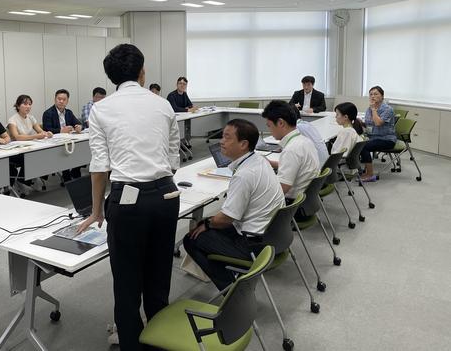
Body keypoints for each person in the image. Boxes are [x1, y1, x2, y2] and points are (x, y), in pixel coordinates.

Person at [78, 43, 180, 351]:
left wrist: (97, 211)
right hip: (166, 195)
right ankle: (159, 341)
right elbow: (173, 159)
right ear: (142, 72)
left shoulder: (101, 109)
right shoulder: (163, 105)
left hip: (127, 200)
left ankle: (132, 343)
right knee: (159, 276)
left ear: (111, 78)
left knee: (126, 281)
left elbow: (100, 167)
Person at [183, 119, 285, 290]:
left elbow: (226, 219)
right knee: (209, 223)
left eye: (227, 137)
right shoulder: (259, 160)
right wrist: (210, 223)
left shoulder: (244, 175)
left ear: (243, 144)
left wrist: (207, 223)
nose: (221, 141)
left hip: (254, 245)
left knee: (192, 238)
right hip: (274, 236)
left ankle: (233, 291)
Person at [262, 100, 319, 201]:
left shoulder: (291, 149)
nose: (269, 130)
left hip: (291, 202)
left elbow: (282, 189)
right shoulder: (304, 141)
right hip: (306, 199)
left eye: (269, 126)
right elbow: (296, 166)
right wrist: (270, 163)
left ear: (280, 123)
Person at [42, 89, 83, 181]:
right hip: (55, 143)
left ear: (67, 101)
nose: (61, 101)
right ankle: (66, 176)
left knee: (81, 151)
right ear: (55, 99)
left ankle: (75, 171)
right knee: (65, 154)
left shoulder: (69, 112)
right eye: (59, 99)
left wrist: (79, 126)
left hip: (68, 141)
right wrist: (61, 131)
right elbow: (47, 129)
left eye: (64, 99)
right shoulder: (48, 113)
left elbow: (77, 123)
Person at [360, 86, 396, 182]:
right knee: (357, 144)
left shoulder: (387, 109)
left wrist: (374, 110)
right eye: (371, 94)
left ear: (382, 96)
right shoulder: (369, 109)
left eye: (376, 94)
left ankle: (370, 174)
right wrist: (361, 123)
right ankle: (361, 169)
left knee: (364, 147)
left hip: (386, 139)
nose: (373, 96)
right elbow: (369, 124)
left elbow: (378, 123)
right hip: (372, 136)